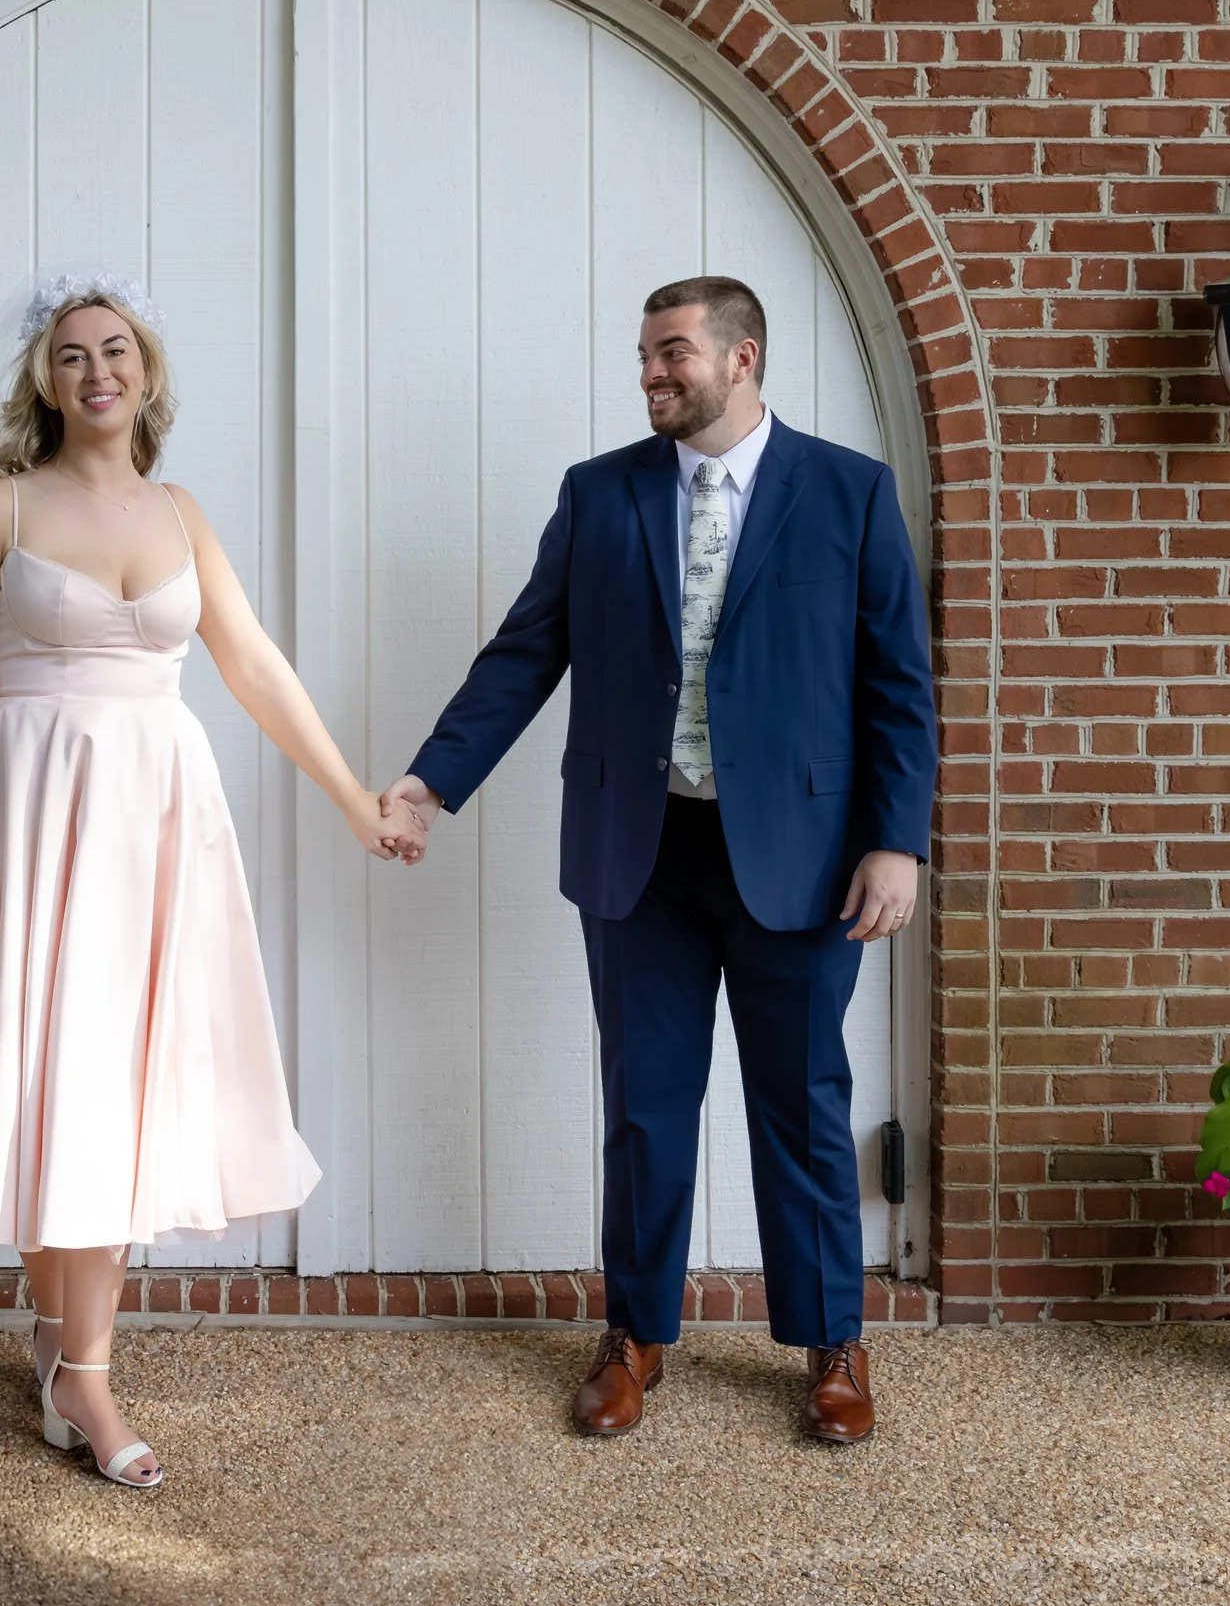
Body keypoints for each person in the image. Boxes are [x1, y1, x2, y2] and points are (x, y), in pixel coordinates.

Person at [0, 273, 403, 1489]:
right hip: (27, 823)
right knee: (41, 1080)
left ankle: (73, 1356)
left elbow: (252, 667)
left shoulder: (181, 512)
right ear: (47, 381)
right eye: (72, 355)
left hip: (159, 829)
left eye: (115, 349)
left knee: (120, 1084)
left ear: (146, 373)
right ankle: (84, 1372)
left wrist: (355, 800)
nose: (96, 371)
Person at [378, 275, 936, 1444]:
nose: (650, 374)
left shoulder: (847, 492)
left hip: (802, 858)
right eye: (643, 355)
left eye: (672, 353)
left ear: (742, 359)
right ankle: (634, 1336)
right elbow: (523, 656)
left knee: (804, 1105)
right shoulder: (601, 496)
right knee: (645, 1111)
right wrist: (432, 781)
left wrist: (896, 841)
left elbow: (896, 687)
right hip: (641, 856)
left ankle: (833, 1342)